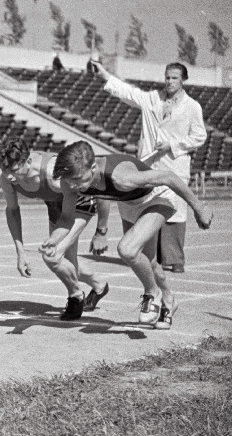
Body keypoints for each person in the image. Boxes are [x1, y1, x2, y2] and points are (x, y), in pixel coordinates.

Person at [49, 141, 212, 330]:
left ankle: (152, 293)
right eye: (70, 180)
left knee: (127, 249)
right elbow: (67, 218)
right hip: (129, 203)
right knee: (147, 261)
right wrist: (53, 241)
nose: (74, 185)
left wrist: (198, 207)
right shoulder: (71, 180)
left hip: (158, 197)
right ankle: (169, 299)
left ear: (93, 168)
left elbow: (168, 177)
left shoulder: (121, 177)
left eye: (77, 179)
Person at [91, 60, 206, 273]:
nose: (170, 81)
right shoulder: (152, 99)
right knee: (148, 205)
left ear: (183, 80)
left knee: (175, 209)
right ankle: (149, 256)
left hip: (174, 163)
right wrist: (104, 75)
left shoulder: (192, 107)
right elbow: (128, 92)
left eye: (174, 78)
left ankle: (174, 258)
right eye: (167, 77)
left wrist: (173, 145)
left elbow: (200, 135)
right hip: (148, 163)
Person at [0, 137, 111, 320]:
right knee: (67, 262)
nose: (8, 176)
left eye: (14, 170)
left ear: (28, 161)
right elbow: (13, 211)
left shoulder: (53, 174)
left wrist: (101, 230)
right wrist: (20, 252)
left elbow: (100, 189)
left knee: (52, 256)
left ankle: (75, 297)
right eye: (4, 169)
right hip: (58, 207)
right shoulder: (7, 178)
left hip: (80, 204)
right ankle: (99, 285)